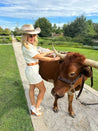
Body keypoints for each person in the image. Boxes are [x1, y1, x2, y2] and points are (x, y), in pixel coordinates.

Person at [21, 24, 60, 116]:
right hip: (32, 72)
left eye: (34, 35)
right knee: (43, 90)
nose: (33, 37)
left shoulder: (29, 46)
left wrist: (49, 52)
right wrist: (53, 59)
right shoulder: (27, 47)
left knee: (32, 88)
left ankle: (33, 107)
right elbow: (39, 57)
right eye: (30, 35)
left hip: (30, 70)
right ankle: (36, 108)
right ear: (25, 36)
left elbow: (38, 55)